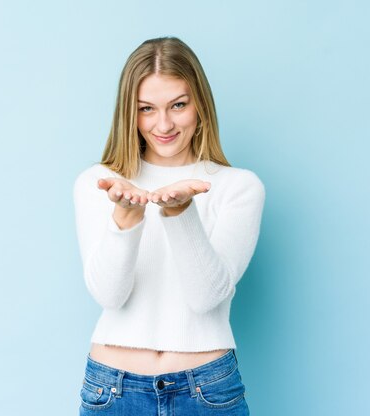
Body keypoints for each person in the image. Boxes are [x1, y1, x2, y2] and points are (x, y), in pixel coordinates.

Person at [73, 36, 265, 415]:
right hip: (112, 391)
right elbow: (109, 296)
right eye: (147, 108)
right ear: (129, 112)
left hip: (207, 390)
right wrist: (125, 220)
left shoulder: (238, 187)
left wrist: (180, 213)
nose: (163, 124)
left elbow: (206, 298)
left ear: (200, 106)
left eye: (178, 105)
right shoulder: (99, 183)